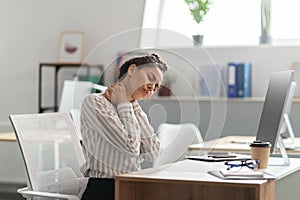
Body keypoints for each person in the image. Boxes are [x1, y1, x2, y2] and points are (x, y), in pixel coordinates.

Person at [80, 52, 169, 199]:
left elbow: (153, 152)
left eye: (155, 87)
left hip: (131, 185)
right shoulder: (95, 103)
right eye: (150, 78)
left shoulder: (133, 109)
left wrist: (131, 105)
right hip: (104, 189)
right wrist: (124, 104)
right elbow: (131, 148)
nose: (151, 88)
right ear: (132, 70)